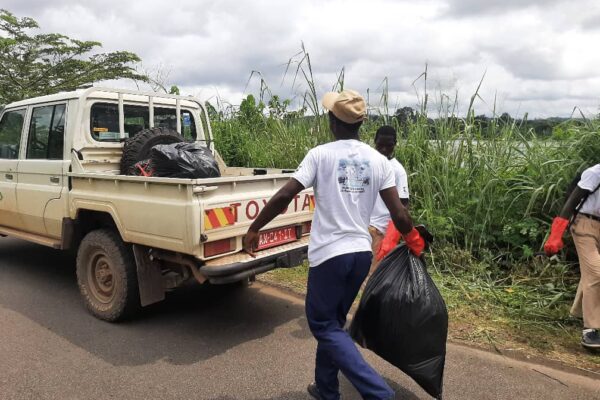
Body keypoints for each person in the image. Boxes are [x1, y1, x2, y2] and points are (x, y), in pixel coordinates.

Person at [242, 90, 425, 400]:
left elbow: (286, 195)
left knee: (322, 324)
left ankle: (380, 394)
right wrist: (416, 242)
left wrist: (255, 228)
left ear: (332, 121)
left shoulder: (320, 155)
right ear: (359, 125)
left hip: (330, 256)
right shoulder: (379, 161)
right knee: (334, 323)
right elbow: (400, 214)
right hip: (360, 255)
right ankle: (326, 389)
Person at [544, 164, 600, 350]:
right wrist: (556, 235)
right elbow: (571, 202)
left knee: (590, 272)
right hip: (584, 225)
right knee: (596, 273)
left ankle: (578, 311)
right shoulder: (595, 173)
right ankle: (591, 330)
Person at [369, 125, 410, 273]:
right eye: (380, 145)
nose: (384, 149)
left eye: (389, 145)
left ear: (395, 144)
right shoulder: (369, 165)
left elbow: (403, 205)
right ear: (375, 142)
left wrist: (392, 236)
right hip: (361, 229)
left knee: (371, 279)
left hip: (380, 232)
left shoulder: (398, 171)